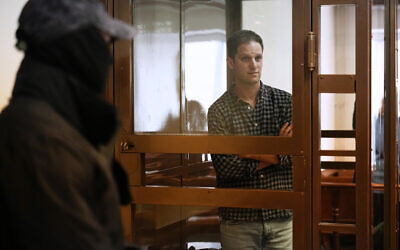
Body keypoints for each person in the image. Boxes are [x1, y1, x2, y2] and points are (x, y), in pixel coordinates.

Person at [0, 0, 137, 249]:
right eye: (103, 42)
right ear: (75, 46)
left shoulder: (65, 122)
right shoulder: (39, 137)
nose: (107, 57)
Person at [207, 30, 293, 250]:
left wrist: (244, 150)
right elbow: (226, 167)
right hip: (238, 219)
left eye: (258, 57)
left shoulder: (285, 102)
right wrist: (276, 154)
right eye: (245, 58)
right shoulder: (219, 110)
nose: (254, 65)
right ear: (231, 62)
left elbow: (295, 155)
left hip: (281, 216)